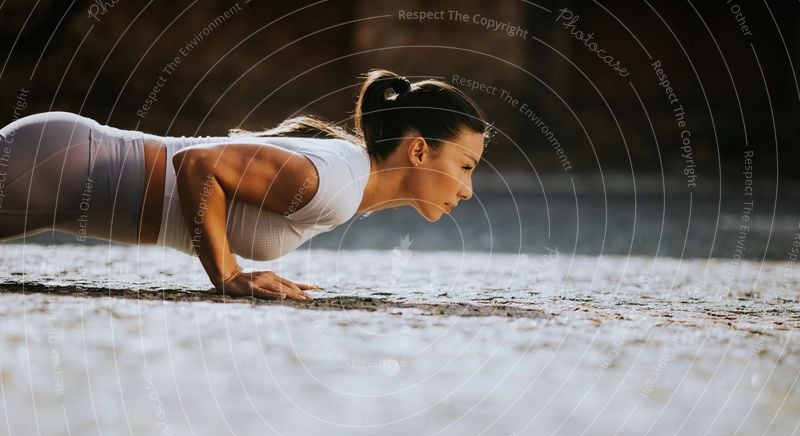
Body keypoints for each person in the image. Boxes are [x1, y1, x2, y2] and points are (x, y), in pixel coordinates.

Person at [0, 69, 490, 300]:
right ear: (420, 150)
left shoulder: (344, 178)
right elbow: (198, 165)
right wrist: (229, 274)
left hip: (57, 175)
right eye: (465, 166)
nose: (468, 189)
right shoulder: (337, 184)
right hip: (54, 168)